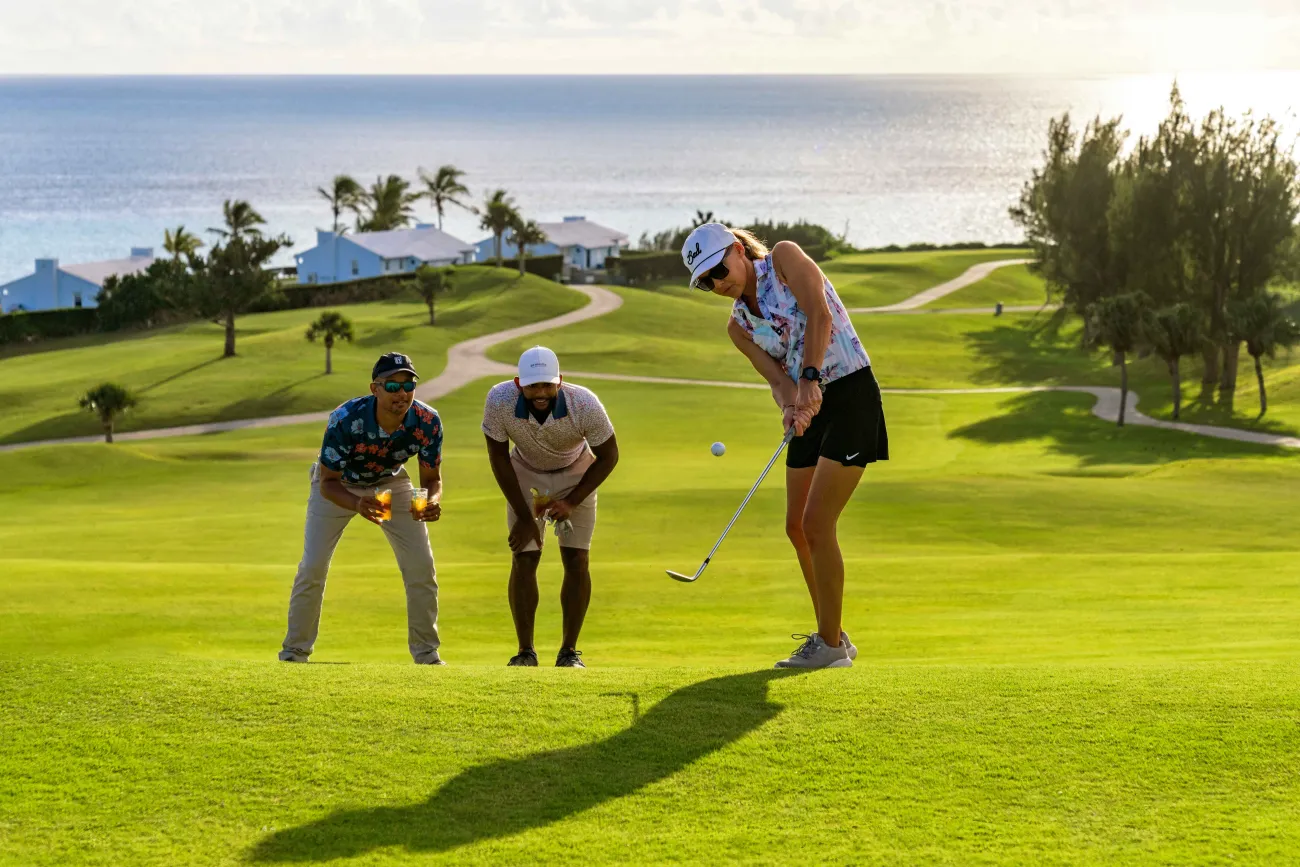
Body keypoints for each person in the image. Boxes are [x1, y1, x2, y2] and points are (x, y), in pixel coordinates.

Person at [680, 223, 888, 669]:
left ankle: (830, 647)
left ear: (738, 250)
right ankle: (833, 635)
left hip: (850, 392)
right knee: (796, 527)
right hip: (810, 407)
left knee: (817, 524)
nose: (718, 284)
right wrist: (791, 404)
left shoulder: (784, 259)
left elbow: (820, 314)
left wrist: (810, 379)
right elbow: (777, 379)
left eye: (719, 269)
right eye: (706, 281)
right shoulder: (738, 327)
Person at [279, 352, 445, 665]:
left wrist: (433, 501)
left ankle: (427, 654)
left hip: (390, 483)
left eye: (408, 385)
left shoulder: (427, 422)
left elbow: (431, 479)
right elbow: (327, 482)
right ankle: (294, 652)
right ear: (375, 389)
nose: (402, 393)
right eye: (392, 386)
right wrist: (357, 504)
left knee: (421, 567)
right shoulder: (345, 419)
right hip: (339, 486)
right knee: (313, 566)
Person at [482, 346, 619, 668]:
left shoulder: (583, 403)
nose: (540, 393)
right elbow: (499, 458)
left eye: (547, 385)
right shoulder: (499, 401)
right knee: (524, 557)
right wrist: (526, 516)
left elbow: (609, 456)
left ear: (560, 381)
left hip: (577, 476)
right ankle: (525, 652)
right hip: (525, 474)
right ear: (519, 384)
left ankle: (569, 653)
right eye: (532, 386)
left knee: (577, 559)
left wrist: (572, 501)